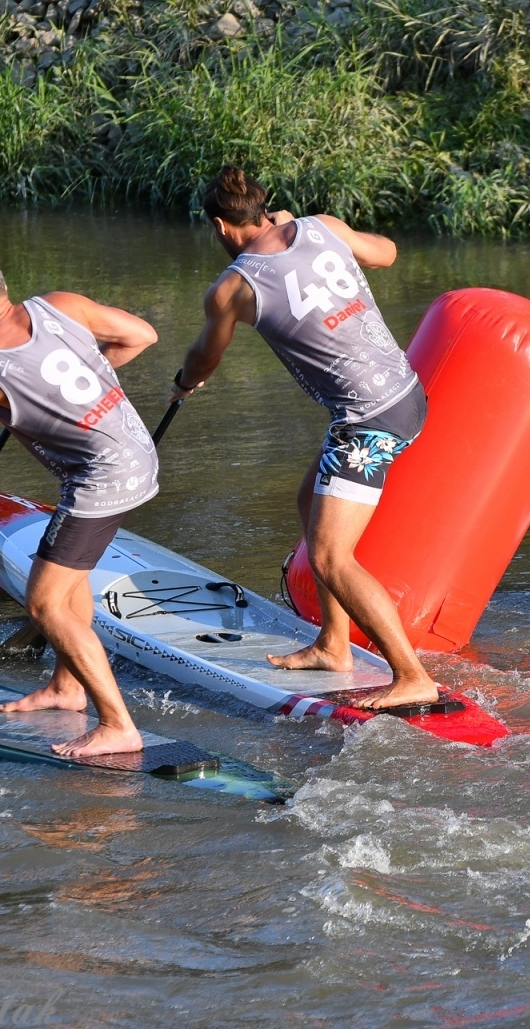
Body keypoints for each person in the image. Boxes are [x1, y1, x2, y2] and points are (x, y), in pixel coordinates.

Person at [170, 166, 439, 710]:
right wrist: (319, 231)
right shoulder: (322, 227)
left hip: (367, 420)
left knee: (330, 556)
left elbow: (205, 357)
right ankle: (333, 644)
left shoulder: (234, 288)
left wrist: (184, 383)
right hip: (406, 392)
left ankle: (412, 674)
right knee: (306, 499)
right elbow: (385, 253)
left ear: (222, 227)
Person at [0, 249, 160, 756]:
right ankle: (66, 689)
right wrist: (77, 391)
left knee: (44, 602)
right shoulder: (59, 304)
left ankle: (118, 725)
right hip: (138, 452)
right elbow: (141, 335)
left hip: (103, 478)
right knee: (68, 585)